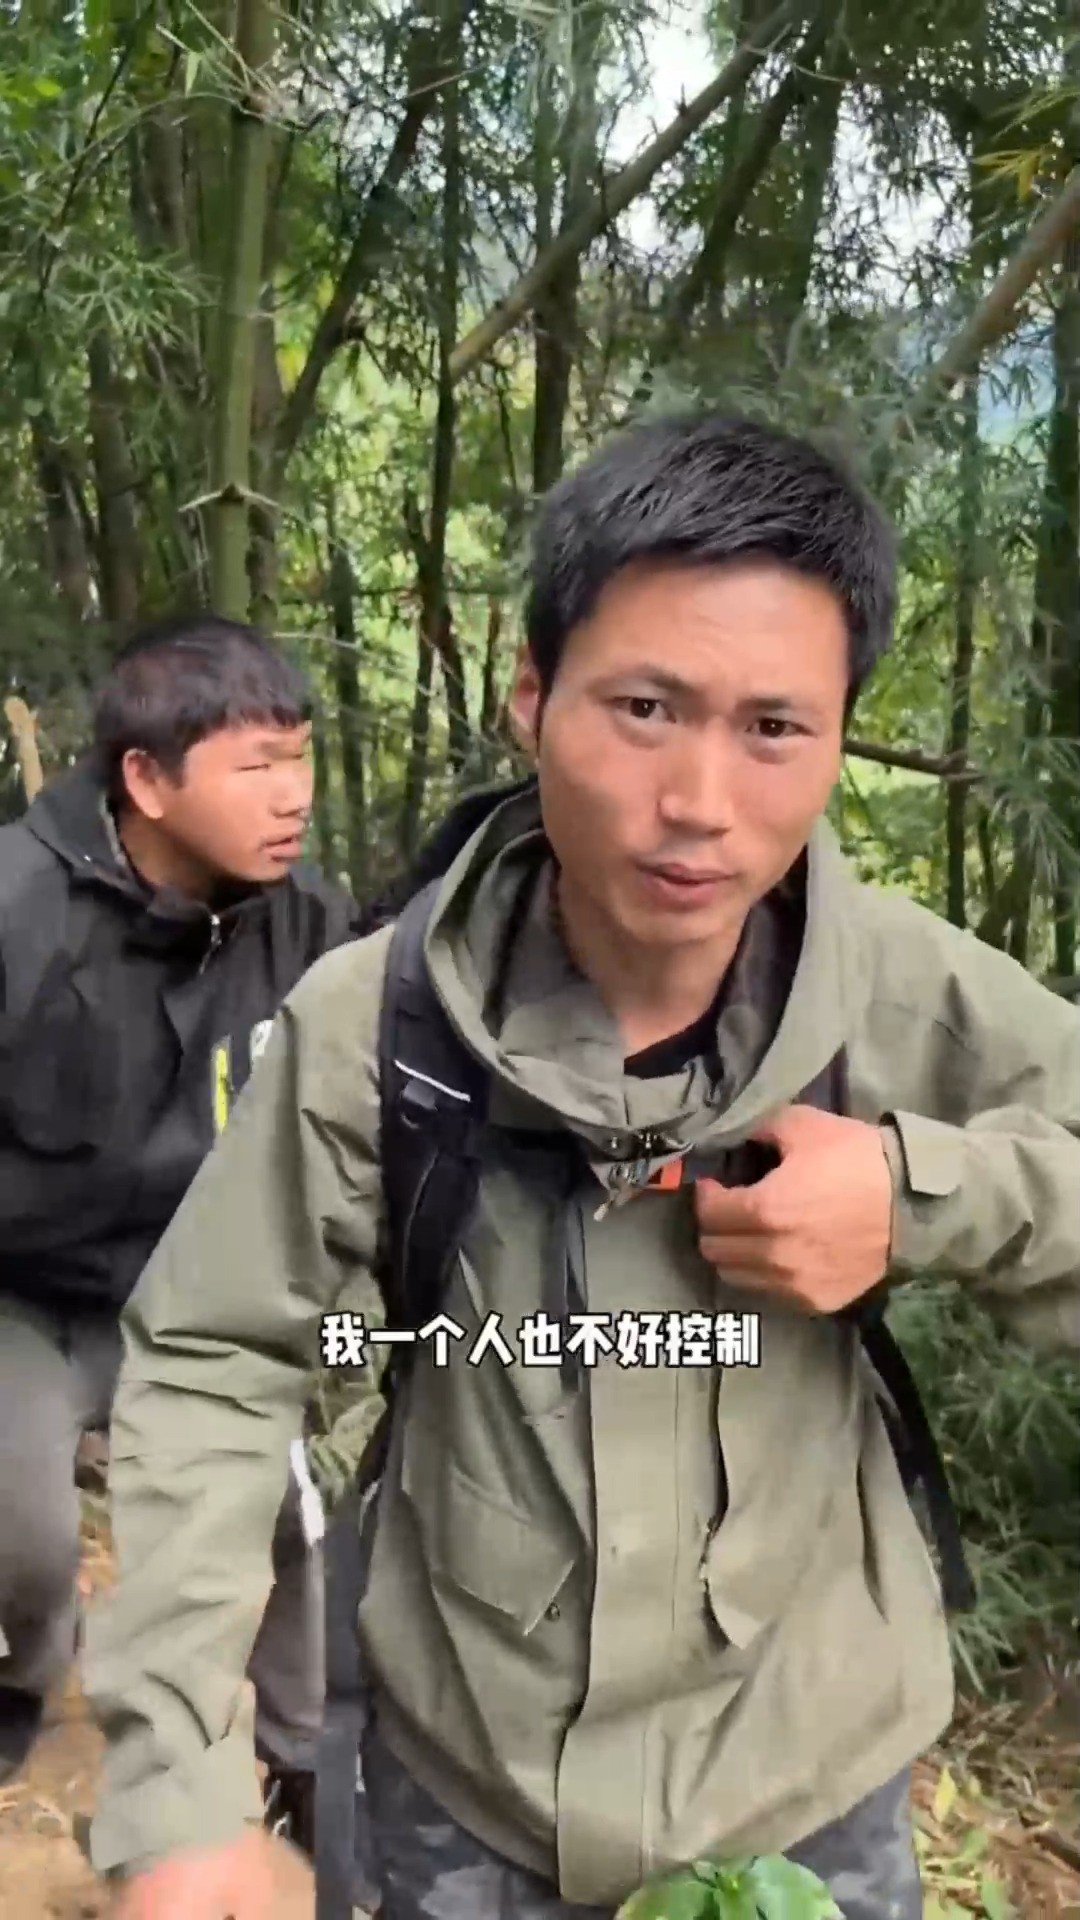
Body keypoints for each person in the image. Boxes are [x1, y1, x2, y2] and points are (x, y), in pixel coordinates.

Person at [83, 416, 1080, 1920]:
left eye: (773, 728)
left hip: (808, 1782)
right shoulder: (378, 1024)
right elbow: (219, 1360)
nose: (699, 801)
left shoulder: (895, 996)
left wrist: (918, 1197)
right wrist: (178, 1788)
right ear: (530, 696)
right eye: (645, 707)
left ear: (840, 731)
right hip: (472, 1781)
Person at [0, 613, 361, 1840]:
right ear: (145, 781)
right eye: (258, 765)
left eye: (301, 758)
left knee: (286, 1511)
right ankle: (19, 1677)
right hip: (27, 1291)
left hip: (204, 1293)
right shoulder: (17, 910)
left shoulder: (308, 922)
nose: (294, 795)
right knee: (27, 1537)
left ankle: (302, 1755)